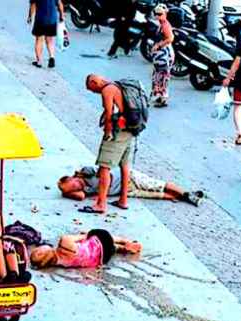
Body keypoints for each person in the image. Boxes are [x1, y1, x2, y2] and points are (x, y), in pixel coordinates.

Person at [82, 74, 132, 214]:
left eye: (92, 89)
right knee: (125, 164)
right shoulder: (118, 86)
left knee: (104, 167)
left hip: (118, 131)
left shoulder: (107, 90)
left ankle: (101, 204)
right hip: (130, 129)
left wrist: (108, 132)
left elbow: (110, 113)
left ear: (94, 82)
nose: (93, 92)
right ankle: (123, 200)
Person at [58, 166, 204, 207]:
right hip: (123, 190)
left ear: (72, 177)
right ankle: (179, 197)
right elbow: (80, 197)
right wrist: (67, 193)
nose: (75, 187)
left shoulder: (86, 172)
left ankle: (186, 194)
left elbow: (103, 171)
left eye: (72, 184)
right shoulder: (85, 191)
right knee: (152, 194)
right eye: (72, 189)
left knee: (156, 185)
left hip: (126, 177)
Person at [30, 229, 142, 269]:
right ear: (41, 252)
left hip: (101, 259)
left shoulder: (57, 263)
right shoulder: (64, 242)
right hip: (103, 242)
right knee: (94, 233)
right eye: (38, 250)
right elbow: (85, 236)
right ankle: (125, 241)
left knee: (85, 249)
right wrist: (84, 233)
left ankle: (118, 248)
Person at [150, 4, 174, 107]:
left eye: (160, 14)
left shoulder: (165, 25)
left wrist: (158, 45)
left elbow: (170, 38)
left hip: (164, 54)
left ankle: (163, 98)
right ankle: (159, 97)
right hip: (161, 55)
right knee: (158, 76)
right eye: (156, 14)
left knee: (162, 76)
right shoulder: (161, 23)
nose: (157, 16)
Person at [27, 0, 64, 68]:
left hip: (40, 19)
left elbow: (33, 5)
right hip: (52, 19)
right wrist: (61, 16)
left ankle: (39, 61)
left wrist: (30, 16)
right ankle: (52, 57)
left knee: (39, 39)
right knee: (50, 40)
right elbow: (60, 4)